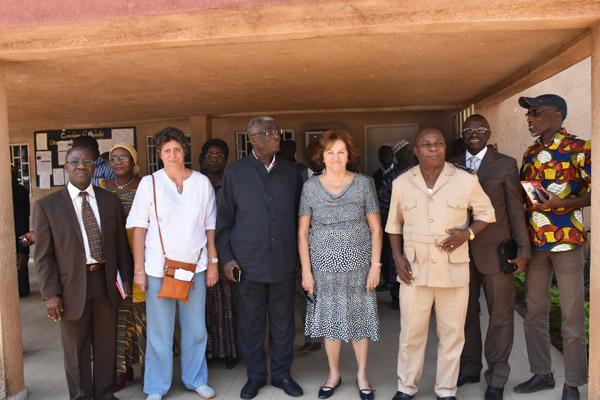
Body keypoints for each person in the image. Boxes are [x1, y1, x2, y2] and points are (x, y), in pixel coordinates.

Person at [386, 128, 495, 400]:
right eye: (426, 144)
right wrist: (398, 258)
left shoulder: (465, 180)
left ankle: (446, 390)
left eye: (438, 143)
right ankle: (406, 387)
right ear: (415, 150)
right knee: (411, 335)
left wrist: (468, 233)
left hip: (452, 270)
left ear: (445, 148)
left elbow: (486, 212)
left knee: (452, 335)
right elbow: (393, 225)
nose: (432, 148)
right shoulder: (401, 183)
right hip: (414, 270)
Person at [34, 145, 133, 400]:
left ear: (94, 167)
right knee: (75, 349)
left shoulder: (109, 199)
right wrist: (51, 294)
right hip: (69, 288)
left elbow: (121, 245)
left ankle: (104, 394)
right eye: (74, 162)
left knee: (105, 344)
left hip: (105, 281)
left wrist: (127, 280)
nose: (81, 166)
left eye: (87, 162)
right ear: (66, 167)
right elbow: (43, 255)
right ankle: (80, 397)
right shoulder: (47, 205)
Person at [215, 116, 304, 400]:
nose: (276, 136)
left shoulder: (291, 172)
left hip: (283, 260)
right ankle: (255, 376)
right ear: (252, 139)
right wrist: (227, 259)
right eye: (268, 132)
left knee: (283, 323)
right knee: (251, 324)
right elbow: (225, 220)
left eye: (277, 131)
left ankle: (281, 374)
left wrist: (303, 257)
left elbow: (302, 220)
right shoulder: (235, 173)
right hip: (247, 263)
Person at [127, 127, 218, 400]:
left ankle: (195, 379)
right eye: (167, 150)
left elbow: (210, 226)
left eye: (177, 149)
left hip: (195, 268)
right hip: (157, 269)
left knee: (196, 330)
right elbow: (138, 229)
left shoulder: (201, 183)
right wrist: (139, 270)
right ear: (159, 154)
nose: (173, 155)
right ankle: (156, 386)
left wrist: (213, 262)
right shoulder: (149, 183)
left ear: (185, 150)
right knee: (159, 333)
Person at [514, 94, 590, 400]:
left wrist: (565, 203)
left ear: (556, 116)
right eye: (528, 114)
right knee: (535, 311)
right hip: (537, 243)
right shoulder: (531, 152)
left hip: (568, 241)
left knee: (571, 314)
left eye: (536, 113)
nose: (530, 118)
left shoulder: (580, 148)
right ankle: (542, 373)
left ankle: (572, 383)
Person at [449, 115, 530, 400]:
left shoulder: (506, 164)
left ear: (488, 133)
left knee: (500, 317)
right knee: (465, 314)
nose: (475, 134)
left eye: (480, 130)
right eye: (469, 130)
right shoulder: (452, 164)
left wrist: (523, 251)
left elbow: (515, 210)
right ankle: (469, 368)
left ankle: (497, 375)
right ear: (463, 133)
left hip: (497, 253)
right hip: (459, 254)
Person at [299, 130, 382, 400]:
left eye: (341, 152)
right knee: (330, 322)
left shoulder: (362, 184)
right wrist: (307, 272)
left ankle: (362, 376)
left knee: (359, 321)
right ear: (321, 156)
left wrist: (375, 266)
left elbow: (376, 229)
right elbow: (302, 232)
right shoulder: (310, 187)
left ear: (349, 156)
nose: (335, 157)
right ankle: (333, 374)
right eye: (330, 152)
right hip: (322, 266)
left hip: (359, 265)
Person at [99, 143, 144, 392]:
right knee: (118, 317)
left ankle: (150, 369)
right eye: (113, 158)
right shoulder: (102, 189)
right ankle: (122, 369)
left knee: (145, 316)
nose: (117, 162)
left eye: (123, 157)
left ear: (133, 160)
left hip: (144, 259)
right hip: (114, 260)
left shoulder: (146, 185)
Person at [199, 138, 240, 369]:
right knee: (204, 302)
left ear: (226, 159)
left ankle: (232, 350)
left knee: (231, 301)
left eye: (219, 155)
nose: (214, 159)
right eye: (210, 155)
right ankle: (208, 351)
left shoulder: (233, 182)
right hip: (200, 250)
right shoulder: (195, 182)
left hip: (229, 249)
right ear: (203, 158)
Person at [378, 139, 416, 309]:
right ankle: (396, 297)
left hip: (417, 229)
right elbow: (384, 207)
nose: (411, 154)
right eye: (406, 151)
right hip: (397, 230)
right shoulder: (390, 179)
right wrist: (388, 232)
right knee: (396, 263)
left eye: (411, 151)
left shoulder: (419, 173)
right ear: (397, 155)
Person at [13, 166, 30, 297]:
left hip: (19, 229)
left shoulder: (19, 191)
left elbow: (23, 217)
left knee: (21, 259)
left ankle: (22, 289)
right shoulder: (20, 190)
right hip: (19, 228)